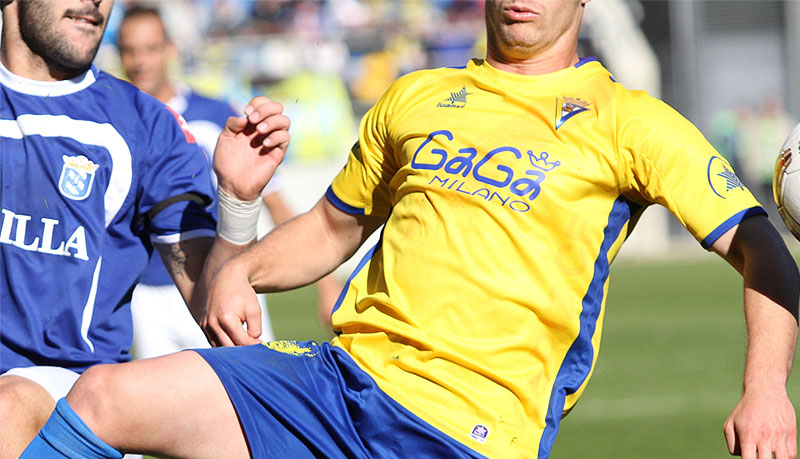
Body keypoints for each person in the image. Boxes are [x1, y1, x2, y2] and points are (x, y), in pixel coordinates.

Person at [21, 1, 800, 458]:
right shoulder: (418, 95)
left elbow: (759, 244)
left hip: (466, 431)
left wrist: (766, 388)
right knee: (106, 396)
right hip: (333, 385)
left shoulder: (633, 123)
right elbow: (331, 226)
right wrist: (242, 264)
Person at [0, 0, 290, 457]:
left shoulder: (148, 126)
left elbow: (213, 304)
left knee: (7, 406)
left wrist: (237, 199)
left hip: (67, 390)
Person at [115, 5, 340, 357]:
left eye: (151, 48)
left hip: (225, 280)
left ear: (171, 48)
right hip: (147, 297)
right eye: (130, 50)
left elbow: (275, 200)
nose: (140, 60)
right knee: (164, 411)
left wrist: (326, 284)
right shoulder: (114, 124)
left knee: (254, 396)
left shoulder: (216, 114)